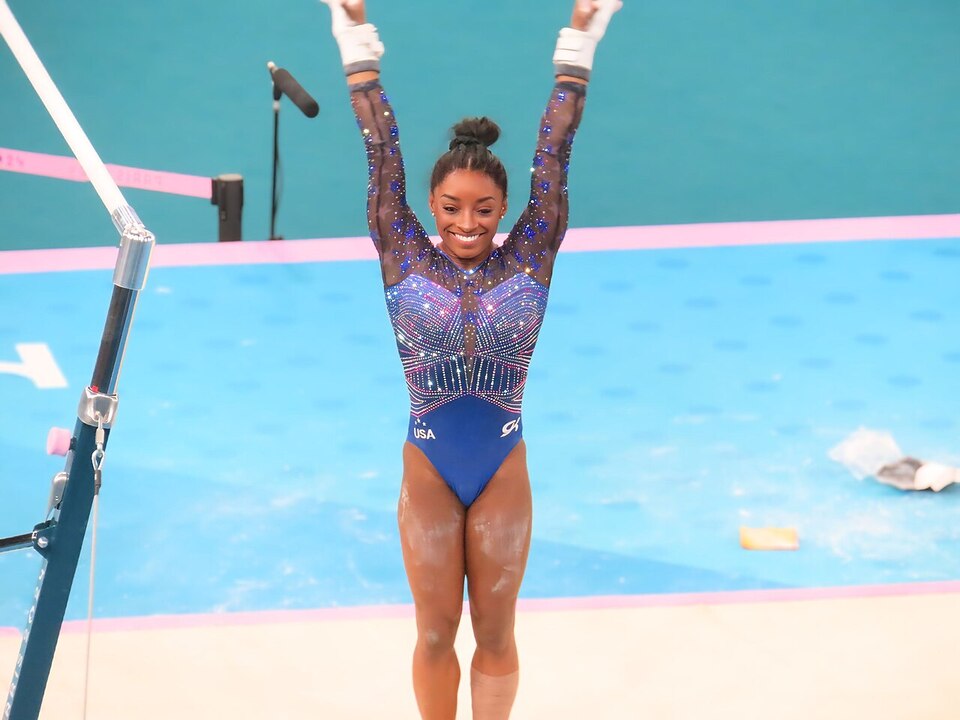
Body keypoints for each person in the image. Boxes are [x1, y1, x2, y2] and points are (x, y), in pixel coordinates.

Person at [319, 1, 621, 717]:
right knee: (432, 633)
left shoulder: (533, 254)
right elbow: (381, 152)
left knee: (494, 630)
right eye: (452, 207)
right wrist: (354, 38)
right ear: (429, 204)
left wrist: (580, 39)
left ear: (506, 209)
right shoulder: (400, 250)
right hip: (428, 462)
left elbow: (555, 151)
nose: (466, 223)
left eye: (484, 209)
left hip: (500, 464)